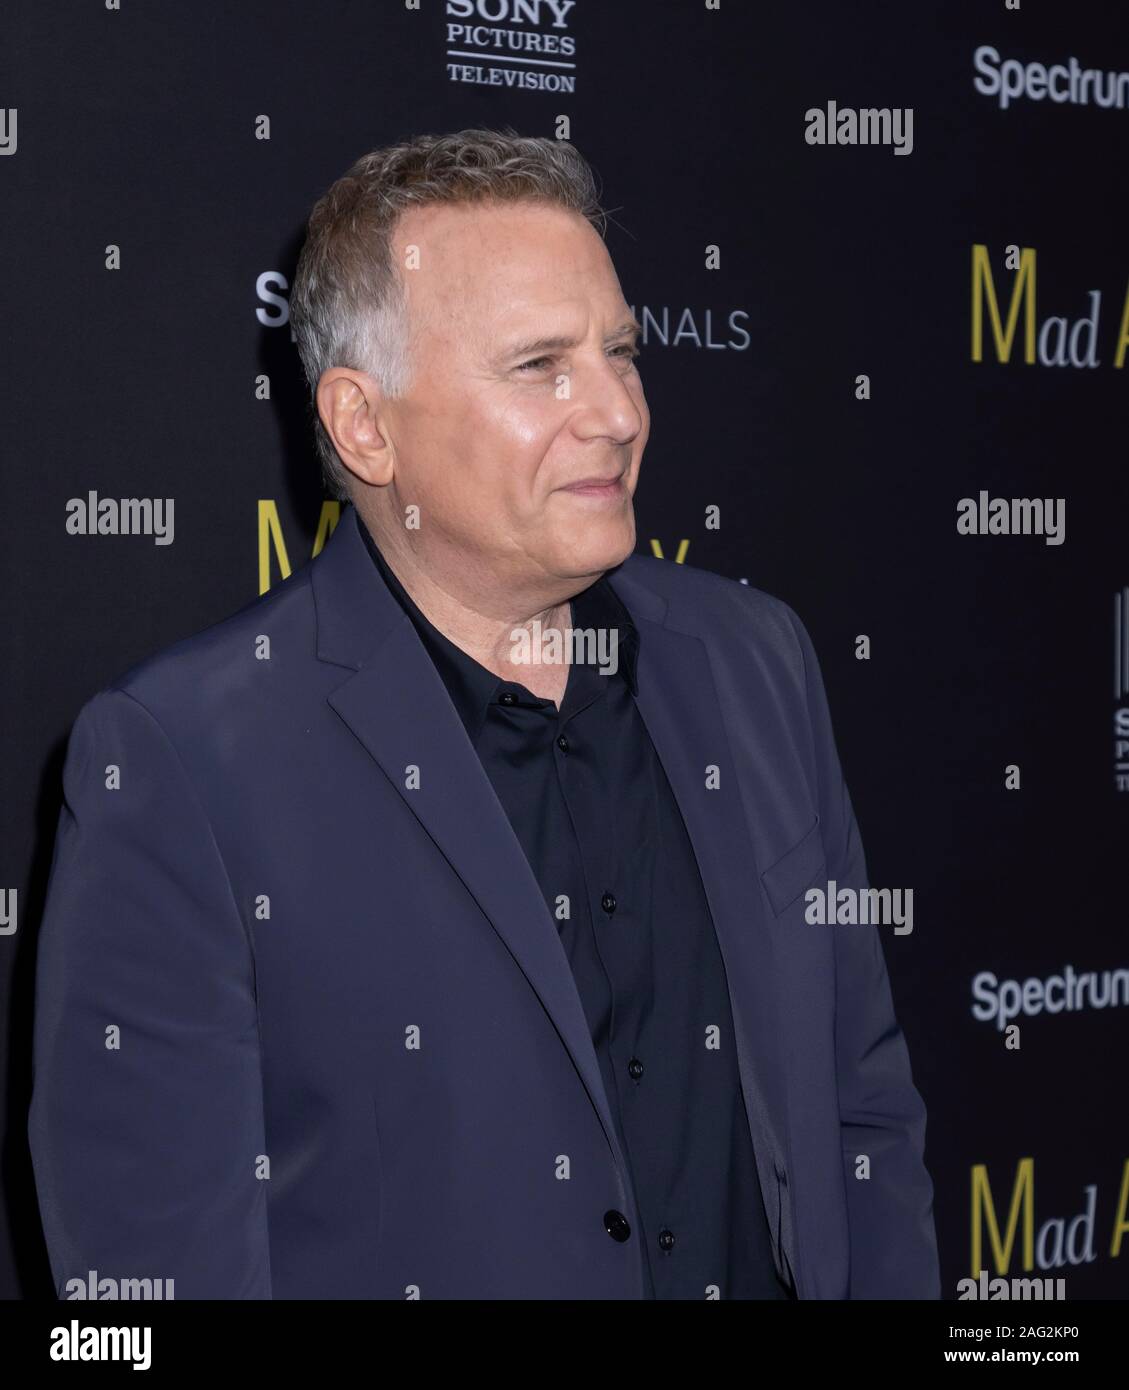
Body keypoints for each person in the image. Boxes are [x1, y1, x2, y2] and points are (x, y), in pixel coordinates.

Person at [28, 128, 940, 1299]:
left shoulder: (751, 660)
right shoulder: (182, 760)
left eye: (621, 352)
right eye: (540, 366)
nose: (615, 411)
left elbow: (856, 1099)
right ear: (365, 426)